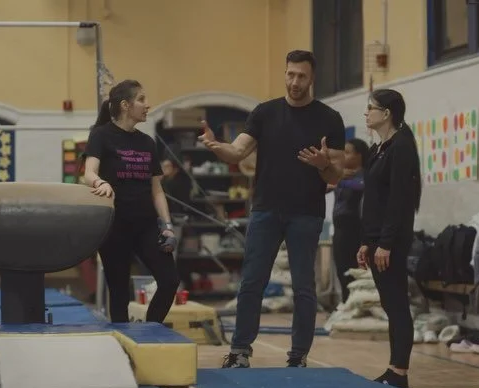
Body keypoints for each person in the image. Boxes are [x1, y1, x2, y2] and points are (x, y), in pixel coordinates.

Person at [198, 50, 346, 368]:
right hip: (265, 210)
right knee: (252, 281)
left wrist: (323, 164)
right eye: (290, 74)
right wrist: (216, 146)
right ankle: (240, 351)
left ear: (312, 78)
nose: (295, 82)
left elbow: (336, 175)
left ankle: (298, 355)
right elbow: (237, 151)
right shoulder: (265, 112)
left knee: (304, 286)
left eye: (301, 76)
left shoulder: (329, 119)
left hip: (306, 212)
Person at [83, 79, 180, 323]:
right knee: (119, 294)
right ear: (125, 105)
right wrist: (100, 183)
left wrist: (167, 225)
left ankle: (151, 330)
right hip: (114, 225)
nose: (148, 105)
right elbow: (89, 173)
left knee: (169, 280)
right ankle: (122, 339)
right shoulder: (101, 135)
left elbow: (157, 190)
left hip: (146, 225)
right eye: (141, 100)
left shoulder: (147, 142)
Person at [356, 88, 422, 388]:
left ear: (387, 113)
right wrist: (366, 241)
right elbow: (373, 200)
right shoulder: (378, 148)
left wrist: (385, 243)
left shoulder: (401, 147)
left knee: (396, 303)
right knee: (389, 302)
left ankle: (399, 371)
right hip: (377, 238)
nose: (366, 113)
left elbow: (398, 202)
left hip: (391, 240)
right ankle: (395, 369)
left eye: (371, 108)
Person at [330, 138, 368, 304]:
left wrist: (339, 180)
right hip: (339, 229)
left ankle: (354, 303)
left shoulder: (364, 175)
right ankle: (346, 303)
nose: (343, 156)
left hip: (353, 229)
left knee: (352, 269)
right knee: (341, 269)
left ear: (359, 155)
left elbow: (362, 186)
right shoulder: (343, 175)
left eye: (347, 153)